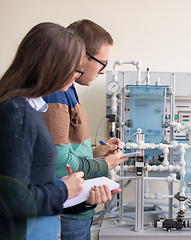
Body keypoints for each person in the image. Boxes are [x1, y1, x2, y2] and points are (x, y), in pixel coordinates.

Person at [0, 22, 121, 240]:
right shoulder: (16, 110)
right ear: (53, 65)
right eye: (75, 68)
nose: (77, 74)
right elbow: (15, 198)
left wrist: (83, 196)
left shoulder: (33, 108)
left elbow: (38, 175)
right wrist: (65, 189)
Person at [42, 19, 126, 240]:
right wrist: (103, 166)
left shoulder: (68, 89)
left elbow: (65, 146)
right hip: (65, 215)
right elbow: (59, 163)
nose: (102, 71)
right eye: (102, 63)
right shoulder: (56, 92)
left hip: (77, 210)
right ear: (81, 55)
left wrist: (95, 152)